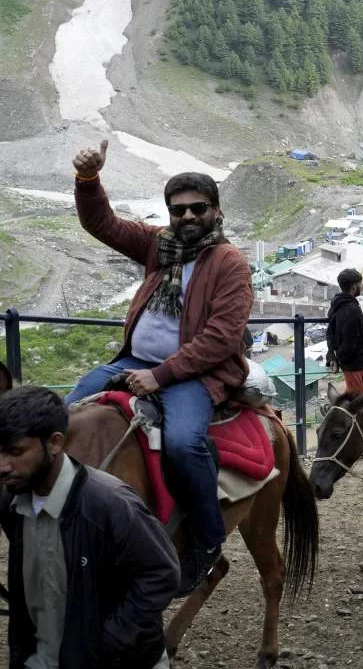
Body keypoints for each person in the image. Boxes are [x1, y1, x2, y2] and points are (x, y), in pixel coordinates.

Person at [66, 140, 251, 595]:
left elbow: (221, 338)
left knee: (185, 444)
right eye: (177, 210)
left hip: (193, 374)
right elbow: (103, 223)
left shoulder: (229, 263)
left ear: (216, 211)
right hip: (135, 361)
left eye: (197, 208)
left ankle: (207, 540)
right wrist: (88, 180)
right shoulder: (159, 245)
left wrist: (160, 375)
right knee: (66, 413)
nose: (187, 217)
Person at [0, 386, 180, 668]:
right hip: (43, 660)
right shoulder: (11, 502)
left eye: (15, 451)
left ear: (55, 443)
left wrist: (108, 642)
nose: (2, 466)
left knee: (187, 444)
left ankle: (207, 536)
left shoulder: (110, 503)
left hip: (112, 661)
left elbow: (162, 572)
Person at [325, 268, 363, 393]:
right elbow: (350, 342)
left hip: (351, 366)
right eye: (360, 284)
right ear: (354, 287)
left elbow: (330, 333)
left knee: (359, 398)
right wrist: (340, 359)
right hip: (358, 366)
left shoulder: (337, 305)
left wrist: (333, 356)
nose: (362, 286)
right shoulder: (352, 309)